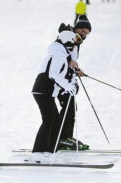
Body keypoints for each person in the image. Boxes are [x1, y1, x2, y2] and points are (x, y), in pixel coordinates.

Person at [31, 31, 79, 161]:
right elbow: (53, 74)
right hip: (43, 89)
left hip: (47, 91)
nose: (74, 44)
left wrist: (70, 82)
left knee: (56, 120)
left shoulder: (61, 52)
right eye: (73, 41)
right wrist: (67, 86)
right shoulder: (58, 53)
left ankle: (50, 150)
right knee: (49, 120)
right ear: (67, 40)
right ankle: (38, 153)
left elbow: (59, 75)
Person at [56, 15, 92, 150]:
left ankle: (67, 136)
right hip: (60, 81)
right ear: (77, 28)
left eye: (87, 34)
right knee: (68, 108)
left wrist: (77, 70)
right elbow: (59, 56)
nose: (84, 35)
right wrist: (70, 64)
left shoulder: (76, 41)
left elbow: (71, 60)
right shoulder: (68, 38)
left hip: (67, 79)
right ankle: (63, 138)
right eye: (83, 31)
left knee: (71, 108)